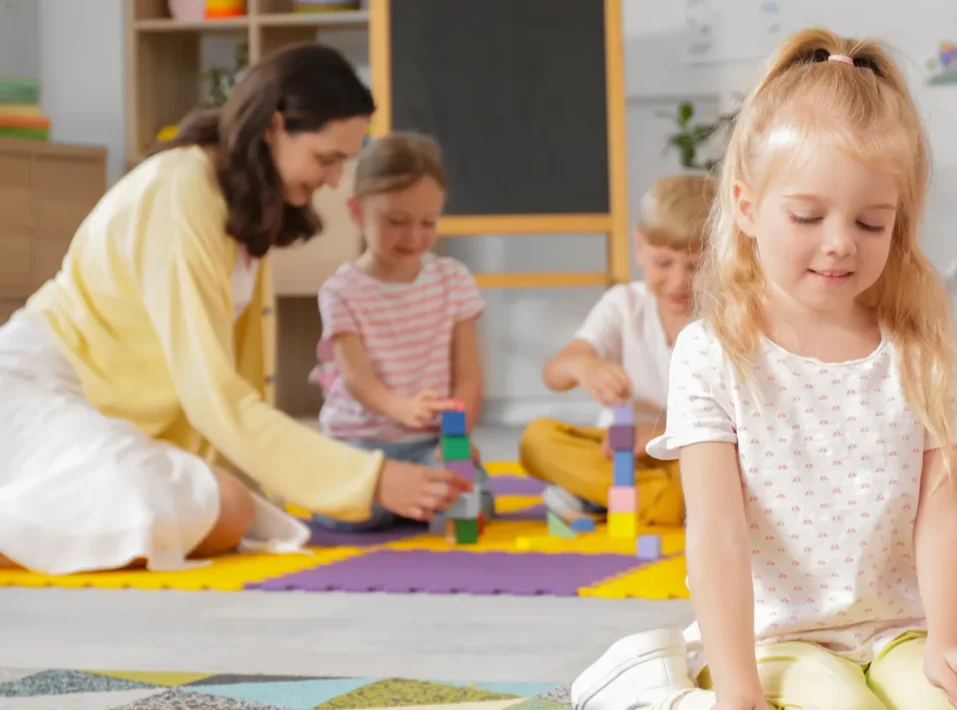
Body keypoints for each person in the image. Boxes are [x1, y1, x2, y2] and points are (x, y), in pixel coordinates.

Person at [569, 29, 957, 710]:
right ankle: (650, 691)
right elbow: (716, 535)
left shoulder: (923, 352)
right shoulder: (713, 352)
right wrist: (738, 689)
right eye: (806, 215)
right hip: (770, 640)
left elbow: (943, 514)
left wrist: (946, 644)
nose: (839, 243)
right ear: (744, 205)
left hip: (898, 629)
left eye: (872, 223)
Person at [0, 43, 470, 575]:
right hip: (33, 391)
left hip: (93, 412)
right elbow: (214, 395)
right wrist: (371, 479)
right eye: (327, 158)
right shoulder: (179, 194)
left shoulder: (237, 207)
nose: (336, 179)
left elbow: (232, 387)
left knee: (235, 511)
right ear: (273, 126)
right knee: (206, 508)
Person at [309, 132, 493, 531]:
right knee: (348, 519)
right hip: (358, 445)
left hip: (429, 444)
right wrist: (402, 408)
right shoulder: (341, 291)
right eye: (396, 222)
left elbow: (468, 376)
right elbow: (358, 378)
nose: (414, 237)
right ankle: (393, 502)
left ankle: (418, 500)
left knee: (462, 505)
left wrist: (455, 440)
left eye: (428, 222)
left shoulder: (454, 280)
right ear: (357, 213)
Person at [519, 172, 715, 527]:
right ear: (639, 247)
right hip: (617, 452)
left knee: (713, 477)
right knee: (536, 440)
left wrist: (661, 434)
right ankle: (636, 499)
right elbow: (554, 372)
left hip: (689, 456)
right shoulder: (624, 304)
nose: (677, 282)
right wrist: (584, 367)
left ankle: (600, 497)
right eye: (663, 263)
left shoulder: (726, 318)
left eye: (696, 266)